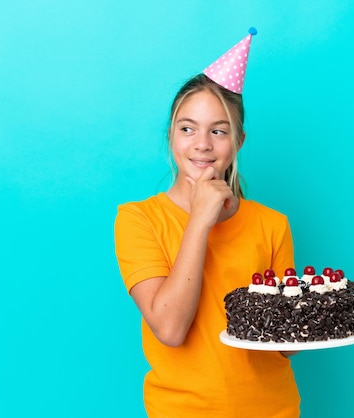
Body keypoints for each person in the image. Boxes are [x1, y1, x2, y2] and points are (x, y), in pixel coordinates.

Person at [114, 29, 300, 417]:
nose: (202, 144)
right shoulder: (137, 220)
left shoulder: (272, 225)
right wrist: (200, 218)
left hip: (273, 409)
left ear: (239, 143)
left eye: (219, 131)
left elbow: (287, 343)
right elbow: (170, 329)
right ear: (171, 137)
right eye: (187, 128)